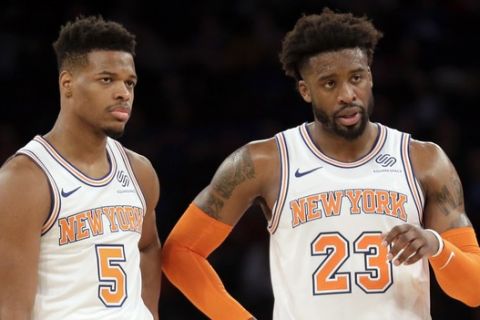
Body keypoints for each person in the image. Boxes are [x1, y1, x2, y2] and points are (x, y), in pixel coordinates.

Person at [162, 8, 480, 320]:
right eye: (329, 83)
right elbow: (180, 253)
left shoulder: (423, 160)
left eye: (356, 78)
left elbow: (474, 291)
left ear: (370, 77)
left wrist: (437, 246)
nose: (347, 94)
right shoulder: (264, 161)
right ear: (305, 91)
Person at [0, 16, 162, 319]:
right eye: (106, 79)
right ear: (68, 84)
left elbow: (148, 248)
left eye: (129, 82)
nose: (123, 93)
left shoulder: (139, 171)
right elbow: (11, 310)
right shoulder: (25, 180)